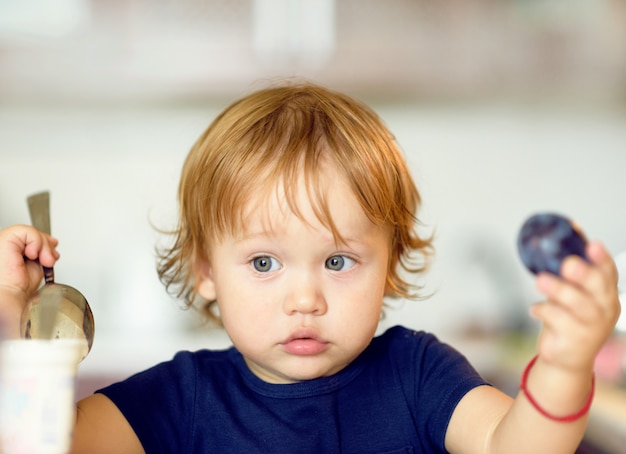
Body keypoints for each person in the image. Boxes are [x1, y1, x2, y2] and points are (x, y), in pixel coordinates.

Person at [0, 81, 620, 453]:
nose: (305, 298)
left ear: (390, 263)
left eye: (338, 260)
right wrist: (16, 326)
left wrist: (565, 363)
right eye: (264, 261)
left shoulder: (419, 373)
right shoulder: (180, 399)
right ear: (206, 270)